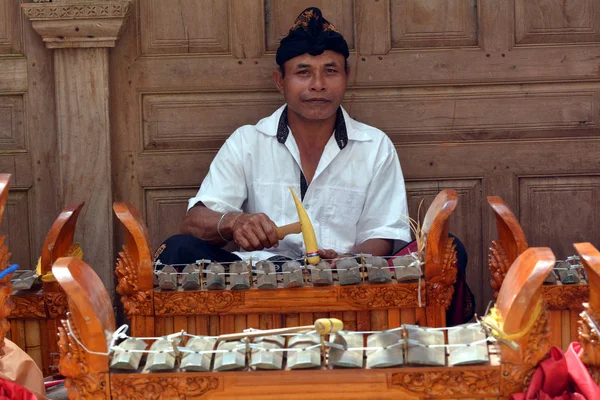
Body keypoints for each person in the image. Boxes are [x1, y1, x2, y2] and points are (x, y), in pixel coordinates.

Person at [155, 7, 411, 266]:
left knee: (449, 251)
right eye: (303, 72)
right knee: (177, 249)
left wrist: (346, 261)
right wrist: (234, 222)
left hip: (347, 280)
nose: (318, 84)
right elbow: (194, 222)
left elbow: (383, 234)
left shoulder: (375, 146)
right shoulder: (247, 142)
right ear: (280, 81)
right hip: (262, 278)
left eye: (330, 71)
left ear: (347, 76)